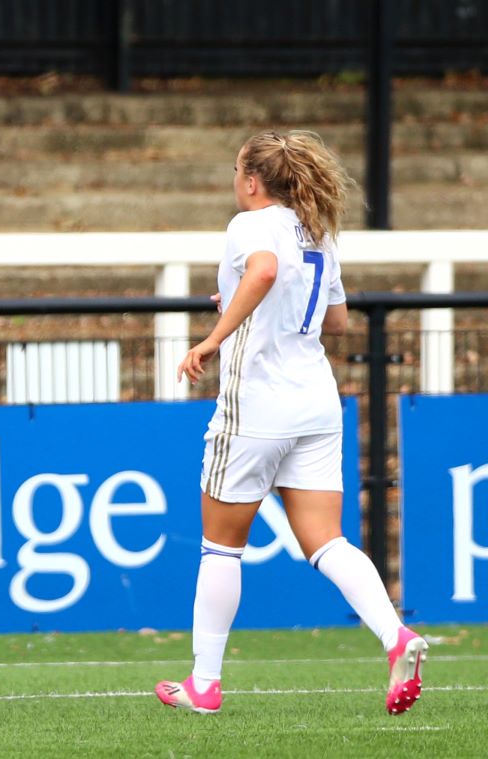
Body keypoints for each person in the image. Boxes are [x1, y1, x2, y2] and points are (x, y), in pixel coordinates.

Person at [154, 130, 427, 716]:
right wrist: (235, 303)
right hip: (316, 404)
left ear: (252, 181)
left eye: (236, 171)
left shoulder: (249, 225)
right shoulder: (318, 231)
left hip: (257, 405)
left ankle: (204, 684)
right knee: (327, 541)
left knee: (220, 546)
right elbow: (338, 320)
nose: (235, 181)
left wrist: (212, 337)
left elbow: (264, 273)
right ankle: (396, 636)